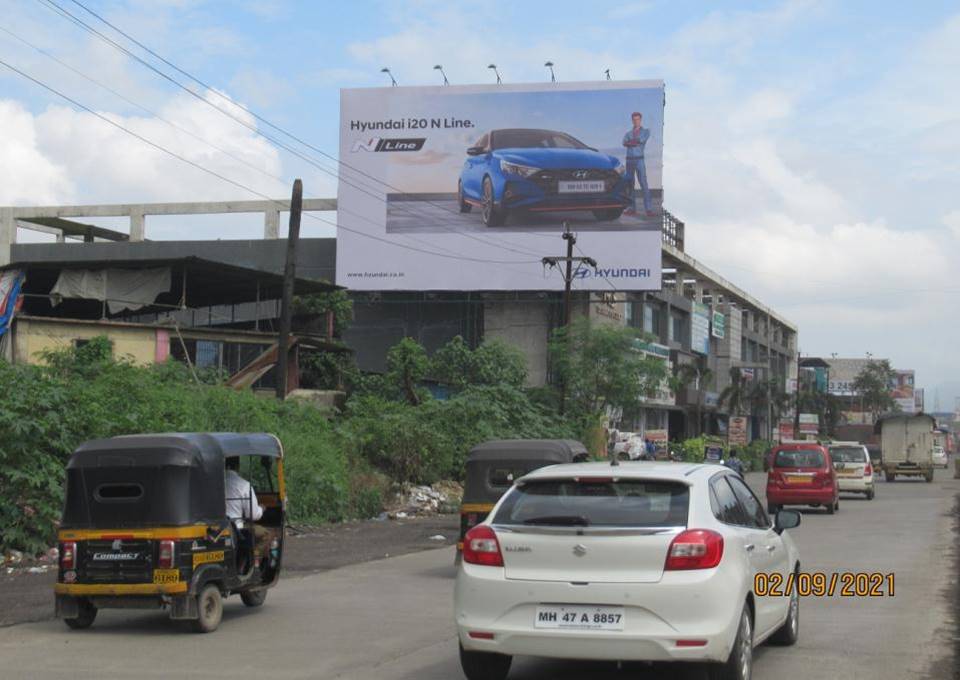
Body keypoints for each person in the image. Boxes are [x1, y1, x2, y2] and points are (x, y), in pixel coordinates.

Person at [224, 457, 269, 569]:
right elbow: (254, 515)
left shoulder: (215, 483)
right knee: (267, 534)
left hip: (217, 527)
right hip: (236, 528)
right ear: (238, 466)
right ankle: (254, 560)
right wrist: (262, 508)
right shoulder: (244, 485)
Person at [622, 112, 654, 217]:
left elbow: (640, 140)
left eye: (637, 119)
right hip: (629, 160)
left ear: (640, 120)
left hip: (639, 160)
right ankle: (632, 208)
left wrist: (631, 142)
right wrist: (633, 142)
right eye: (634, 119)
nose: (636, 121)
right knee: (630, 185)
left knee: (643, 184)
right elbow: (624, 143)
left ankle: (648, 209)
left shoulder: (646, 131)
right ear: (632, 120)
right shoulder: (628, 133)